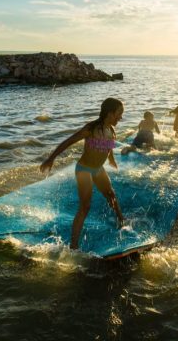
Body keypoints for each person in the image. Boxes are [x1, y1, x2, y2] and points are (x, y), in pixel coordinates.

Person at [39, 98, 125, 250]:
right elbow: (68, 141)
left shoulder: (111, 131)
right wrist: (51, 159)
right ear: (110, 113)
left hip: (99, 169)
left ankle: (121, 220)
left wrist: (111, 160)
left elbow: (109, 147)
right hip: (84, 170)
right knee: (85, 206)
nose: (121, 117)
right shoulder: (91, 129)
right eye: (119, 114)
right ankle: (73, 246)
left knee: (111, 195)